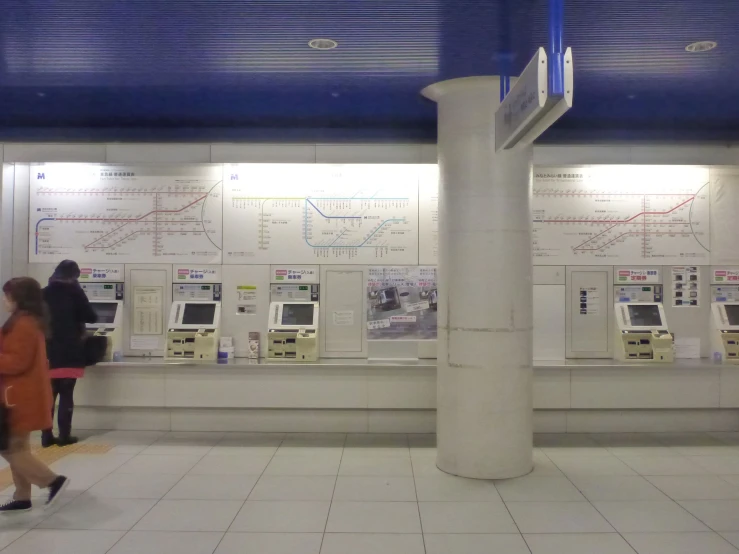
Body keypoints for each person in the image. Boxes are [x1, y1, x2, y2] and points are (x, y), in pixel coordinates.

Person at [0, 277, 69, 512]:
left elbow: (16, 362)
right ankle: (22, 496)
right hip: (21, 395)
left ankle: (52, 481)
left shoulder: (24, 324)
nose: (4, 300)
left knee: (10, 448)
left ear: (18, 298)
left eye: (7, 295)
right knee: (18, 448)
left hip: (19, 397)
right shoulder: (26, 321)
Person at [42, 260, 97, 447]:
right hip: (70, 350)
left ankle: (46, 436)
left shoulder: (44, 293)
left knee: (49, 393)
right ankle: (64, 436)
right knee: (66, 392)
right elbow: (91, 317)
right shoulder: (75, 293)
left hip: (47, 350)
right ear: (75, 276)